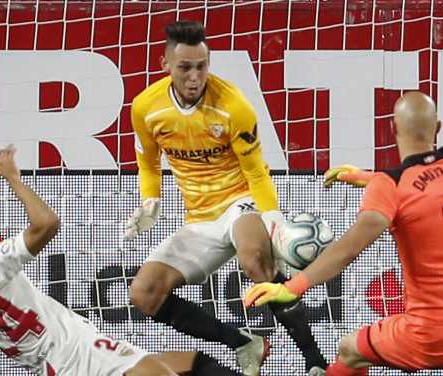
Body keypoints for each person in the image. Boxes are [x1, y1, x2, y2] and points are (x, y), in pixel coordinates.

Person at [244, 92, 443, 376]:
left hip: (435, 334)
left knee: (349, 350)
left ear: (393, 127)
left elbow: (349, 248)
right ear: (438, 127)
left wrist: (292, 287)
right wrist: (367, 178)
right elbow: (427, 185)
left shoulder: (390, 186)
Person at [124, 20, 327, 375]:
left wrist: (273, 218)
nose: (194, 77)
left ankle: (314, 360)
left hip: (240, 201)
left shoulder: (234, 106)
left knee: (255, 260)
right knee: (144, 293)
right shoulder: (145, 108)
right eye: (185, 68)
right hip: (199, 219)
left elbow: (256, 172)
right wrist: (149, 200)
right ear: (165, 64)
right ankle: (243, 342)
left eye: (201, 66)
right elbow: (149, 164)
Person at [0, 145, 239, 376]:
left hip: (53, 365)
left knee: (183, 362)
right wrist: (13, 179)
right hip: (77, 352)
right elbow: (47, 223)